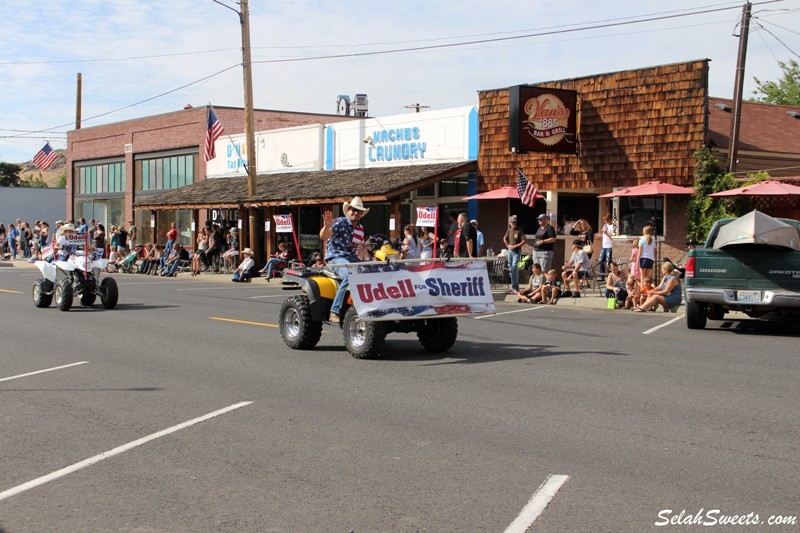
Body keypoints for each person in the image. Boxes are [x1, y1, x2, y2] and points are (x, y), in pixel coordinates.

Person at [320, 196, 369, 323]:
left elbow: (358, 249)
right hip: (337, 258)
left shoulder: (360, 228)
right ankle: (334, 311)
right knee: (350, 274)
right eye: (353, 209)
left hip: (351, 258)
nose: (356, 213)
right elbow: (324, 236)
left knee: (375, 269)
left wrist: (368, 259)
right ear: (348, 210)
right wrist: (327, 226)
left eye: (359, 211)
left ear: (362, 214)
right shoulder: (339, 222)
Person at [503, 215, 526, 294]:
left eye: (515, 222)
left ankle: (514, 287)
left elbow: (524, 241)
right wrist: (508, 246)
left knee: (514, 267)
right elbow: (504, 238)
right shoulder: (509, 230)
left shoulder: (519, 230)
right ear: (510, 223)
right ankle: (514, 286)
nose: (514, 223)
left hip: (516, 251)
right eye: (512, 222)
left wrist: (515, 246)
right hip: (510, 251)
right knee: (510, 268)